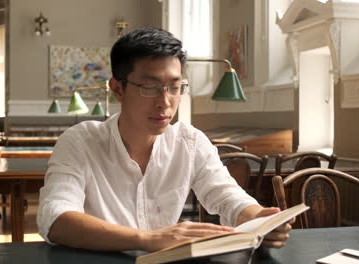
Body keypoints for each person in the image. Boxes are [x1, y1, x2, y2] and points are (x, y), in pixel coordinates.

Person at [37, 28, 292, 252]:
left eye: (174, 86)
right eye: (150, 87)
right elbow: (54, 218)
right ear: (118, 90)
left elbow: (229, 198)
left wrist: (260, 219)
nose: (165, 101)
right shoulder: (80, 141)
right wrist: (146, 239)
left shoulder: (191, 142)